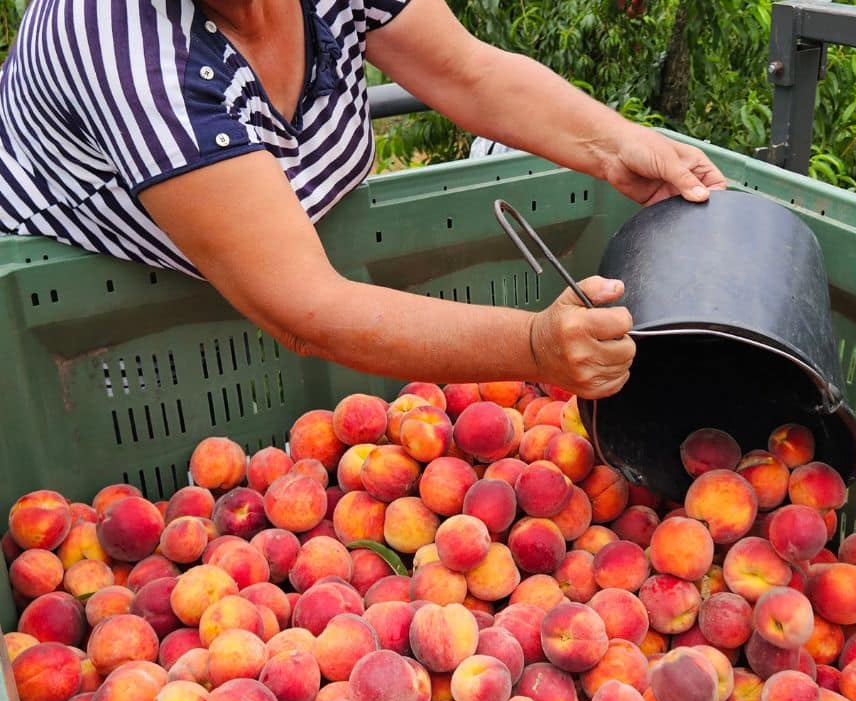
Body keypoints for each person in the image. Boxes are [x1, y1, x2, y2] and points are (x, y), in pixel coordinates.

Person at [0, 0, 729, 401]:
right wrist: (533, 347)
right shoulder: (121, 42)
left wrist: (616, 143)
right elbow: (305, 309)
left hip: (295, 280)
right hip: (100, 340)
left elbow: (467, 72)